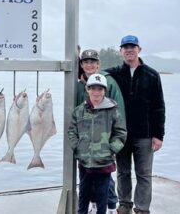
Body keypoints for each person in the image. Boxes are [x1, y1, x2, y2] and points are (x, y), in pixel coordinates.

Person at [105, 35, 165, 214]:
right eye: (125, 47)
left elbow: (159, 107)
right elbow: (93, 75)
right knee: (123, 172)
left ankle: (142, 209)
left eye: (132, 46)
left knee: (144, 175)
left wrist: (158, 135)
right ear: (120, 51)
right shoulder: (113, 73)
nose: (129, 50)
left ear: (139, 49)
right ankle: (124, 204)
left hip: (145, 135)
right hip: (121, 134)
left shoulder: (152, 75)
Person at [68, 74, 127, 214]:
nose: (96, 92)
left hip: (104, 163)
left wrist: (111, 150)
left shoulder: (112, 110)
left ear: (104, 91)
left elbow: (121, 133)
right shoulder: (79, 111)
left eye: (100, 89)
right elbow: (71, 131)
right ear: (87, 89)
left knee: (102, 197)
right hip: (84, 162)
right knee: (83, 195)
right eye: (93, 88)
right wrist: (78, 148)